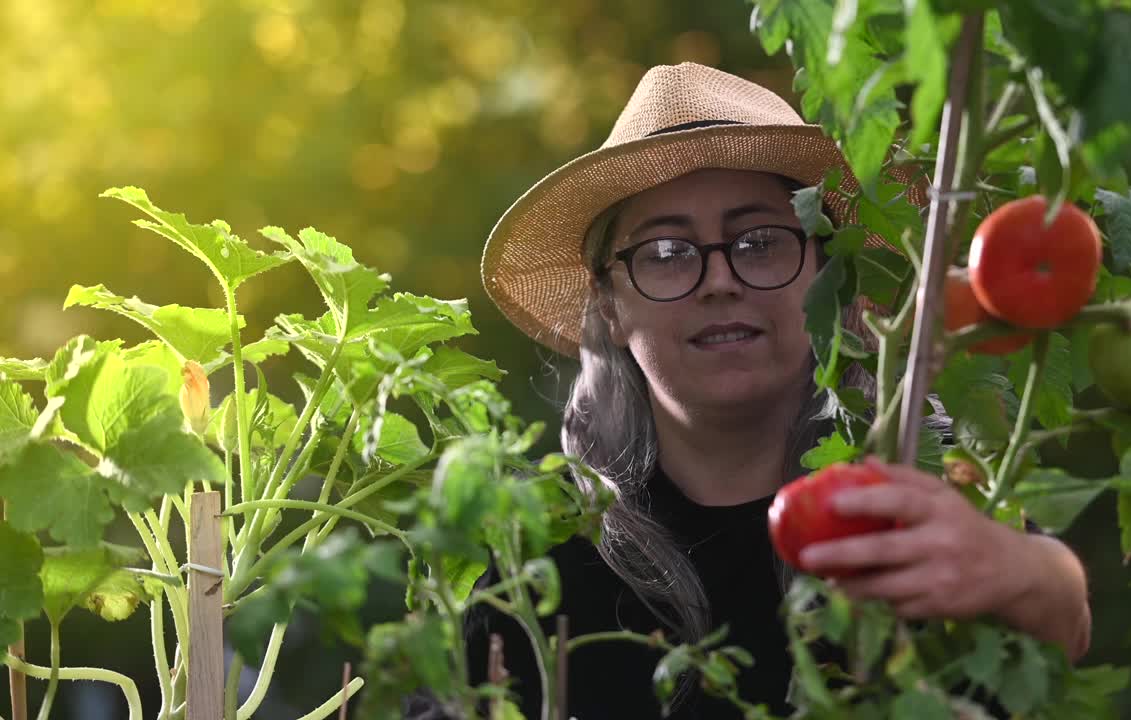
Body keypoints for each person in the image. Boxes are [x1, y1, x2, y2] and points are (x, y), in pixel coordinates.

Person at [407, 62, 1091, 720]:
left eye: (760, 241)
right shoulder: (545, 551)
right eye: (667, 253)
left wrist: (1031, 571)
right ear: (610, 306)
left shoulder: (915, 483)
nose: (719, 280)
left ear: (828, 276)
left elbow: (1063, 622)